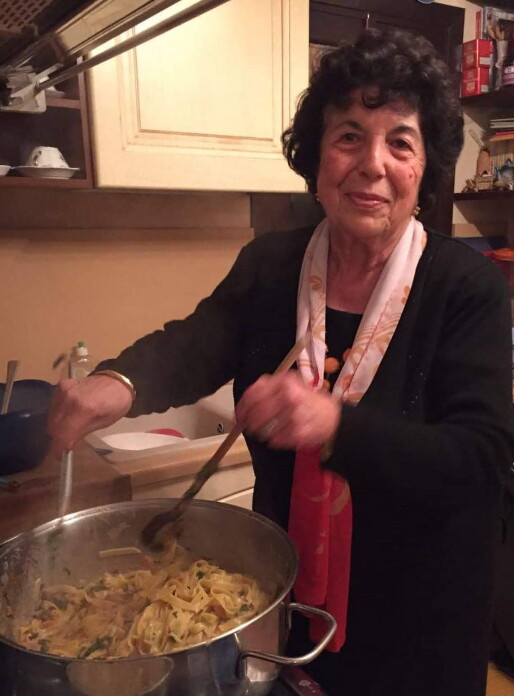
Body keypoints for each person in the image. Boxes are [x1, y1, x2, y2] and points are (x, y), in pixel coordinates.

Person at [48, 28, 514, 696]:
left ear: (424, 168)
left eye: (400, 142)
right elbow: (200, 339)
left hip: (422, 621)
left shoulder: (466, 287)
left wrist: (336, 426)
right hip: (290, 599)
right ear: (317, 158)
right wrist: (118, 382)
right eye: (349, 136)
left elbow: (480, 458)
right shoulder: (273, 263)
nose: (372, 164)